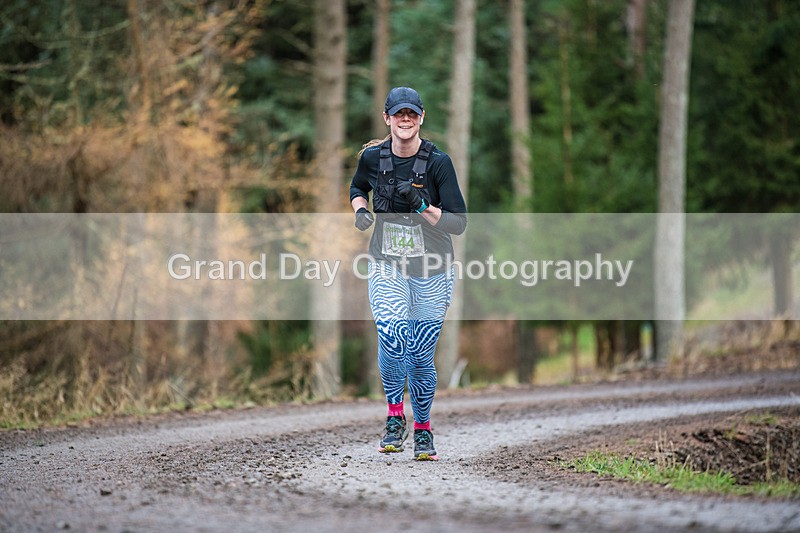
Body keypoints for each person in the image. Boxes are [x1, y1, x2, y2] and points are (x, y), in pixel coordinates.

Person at [349, 86, 467, 460]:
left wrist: (420, 205)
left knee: (419, 353)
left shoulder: (438, 163)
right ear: (387, 118)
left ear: (421, 118)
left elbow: (458, 223)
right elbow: (356, 186)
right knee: (392, 334)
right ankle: (395, 417)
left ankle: (423, 428)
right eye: (398, 114)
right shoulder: (372, 158)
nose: (405, 119)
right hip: (387, 263)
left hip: (433, 268)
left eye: (411, 114)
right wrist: (360, 210)